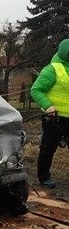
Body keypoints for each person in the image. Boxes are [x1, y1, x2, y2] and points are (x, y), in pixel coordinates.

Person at [30, 38, 69, 188]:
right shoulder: (52, 69)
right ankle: (44, 177)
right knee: (48, 148)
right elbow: (35, 90)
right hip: (54, 117)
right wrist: (47, 106)